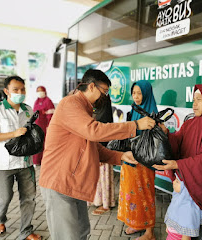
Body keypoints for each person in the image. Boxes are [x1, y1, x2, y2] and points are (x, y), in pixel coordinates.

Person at [39, 69, 156, 240]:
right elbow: (94, 131)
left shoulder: (84, 108)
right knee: (67, 236)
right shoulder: (70, 104)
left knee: (81, 233)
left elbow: (91, 145)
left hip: (74, 183)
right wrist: (135, 125)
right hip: (59, 183)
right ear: (92, 86)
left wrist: (120, 156)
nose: (106, 97)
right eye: (104, 92)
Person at [154, 84, 202, 240]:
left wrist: (178, 165)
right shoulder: (190, 123)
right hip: (190, 188)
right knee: (191, 229)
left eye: (199, 100)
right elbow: (178, 142)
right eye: (193, 100)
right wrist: (166, 134)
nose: (194, 104)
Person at [0, 76, 41, 240]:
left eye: (22, 89)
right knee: (4, 197)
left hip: (26, 162)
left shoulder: (28, 109)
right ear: (6, 91)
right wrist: (13, 134)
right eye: (16, 90)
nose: (20, 93)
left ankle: (26, 230)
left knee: (29, 198)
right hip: (3, 163)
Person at [117, 80, 157, 240]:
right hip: (130, 160)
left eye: (139, 93)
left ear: (146, 93)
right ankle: (136, 223)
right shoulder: (133, 110)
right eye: (134, 93)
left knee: (145, 195)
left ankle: (149, 232)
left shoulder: (152, 112)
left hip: (144, 163)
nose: (136, 96)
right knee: (131, 193)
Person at [89, 95, 116, 215]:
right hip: (97, 149)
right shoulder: (97, 107)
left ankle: (105, 205)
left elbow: (103, 130)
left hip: (102, 150)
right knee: (98, 177)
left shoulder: (103, 104)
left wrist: (100, 153)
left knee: (103, 177)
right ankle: (100, 201)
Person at [33, 86, 55, 165]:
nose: (39, 92)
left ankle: (44, 160)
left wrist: (49, 125)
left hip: (45, 125)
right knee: (37, 142)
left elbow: (51, 113)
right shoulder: (37, 101)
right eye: (38, 91)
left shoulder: (48, 101)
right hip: (37, 125)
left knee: (44, 143)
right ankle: (36, 161)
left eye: (41, 91)